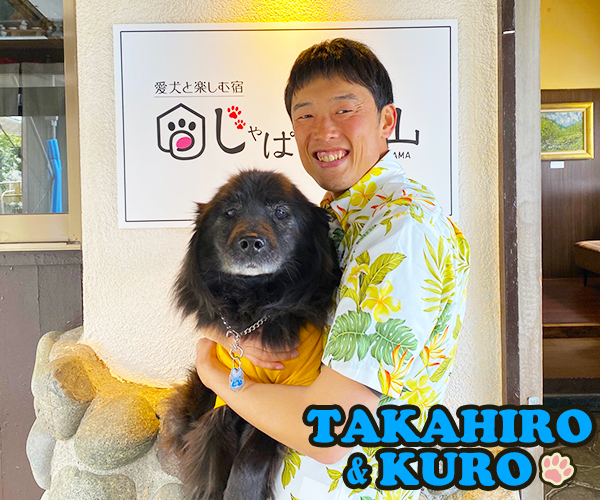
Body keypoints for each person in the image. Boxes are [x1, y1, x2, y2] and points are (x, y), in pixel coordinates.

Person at [194, 38, 470, 500]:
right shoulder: (334, 216)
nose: (323, 131)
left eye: (344, 110)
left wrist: (213, 373)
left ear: (387, 121)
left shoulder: (399, 231)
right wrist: (222, 335)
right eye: (305, 115)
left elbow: (332, 430)